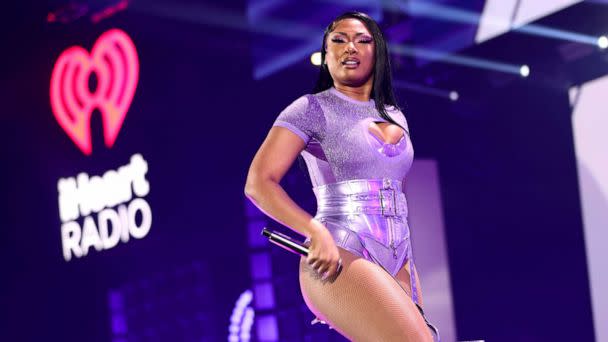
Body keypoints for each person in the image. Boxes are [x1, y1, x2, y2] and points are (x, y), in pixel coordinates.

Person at [245, 11, 438, 341]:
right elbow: (258, 183)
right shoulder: (309, 109)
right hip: (338, 249)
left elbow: (395, 206)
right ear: (326, 53)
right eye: (339, 40)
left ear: (377, 53)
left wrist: (409, 266)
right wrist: (313, 232)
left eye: (362, 40)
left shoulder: (395, 115)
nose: (351, 47)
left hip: (398, 252)